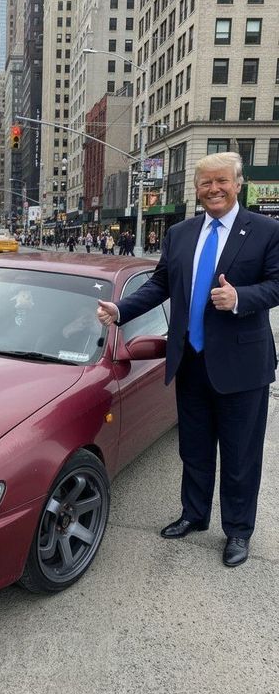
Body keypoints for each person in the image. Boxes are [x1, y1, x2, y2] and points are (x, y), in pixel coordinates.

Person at [96, 152, 279, 567]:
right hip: (190, 361)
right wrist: (121, 310)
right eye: (205, 183)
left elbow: (276, 283)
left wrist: (240, 297)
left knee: (240, 455)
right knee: (194, 449)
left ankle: (238, 530)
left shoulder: (266, 231)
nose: (214, 189)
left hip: (242, 367)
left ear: (238, 184)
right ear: (196, 189)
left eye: (221, 181)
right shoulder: (181, 233)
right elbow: (161, 283)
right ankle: (194, 515)